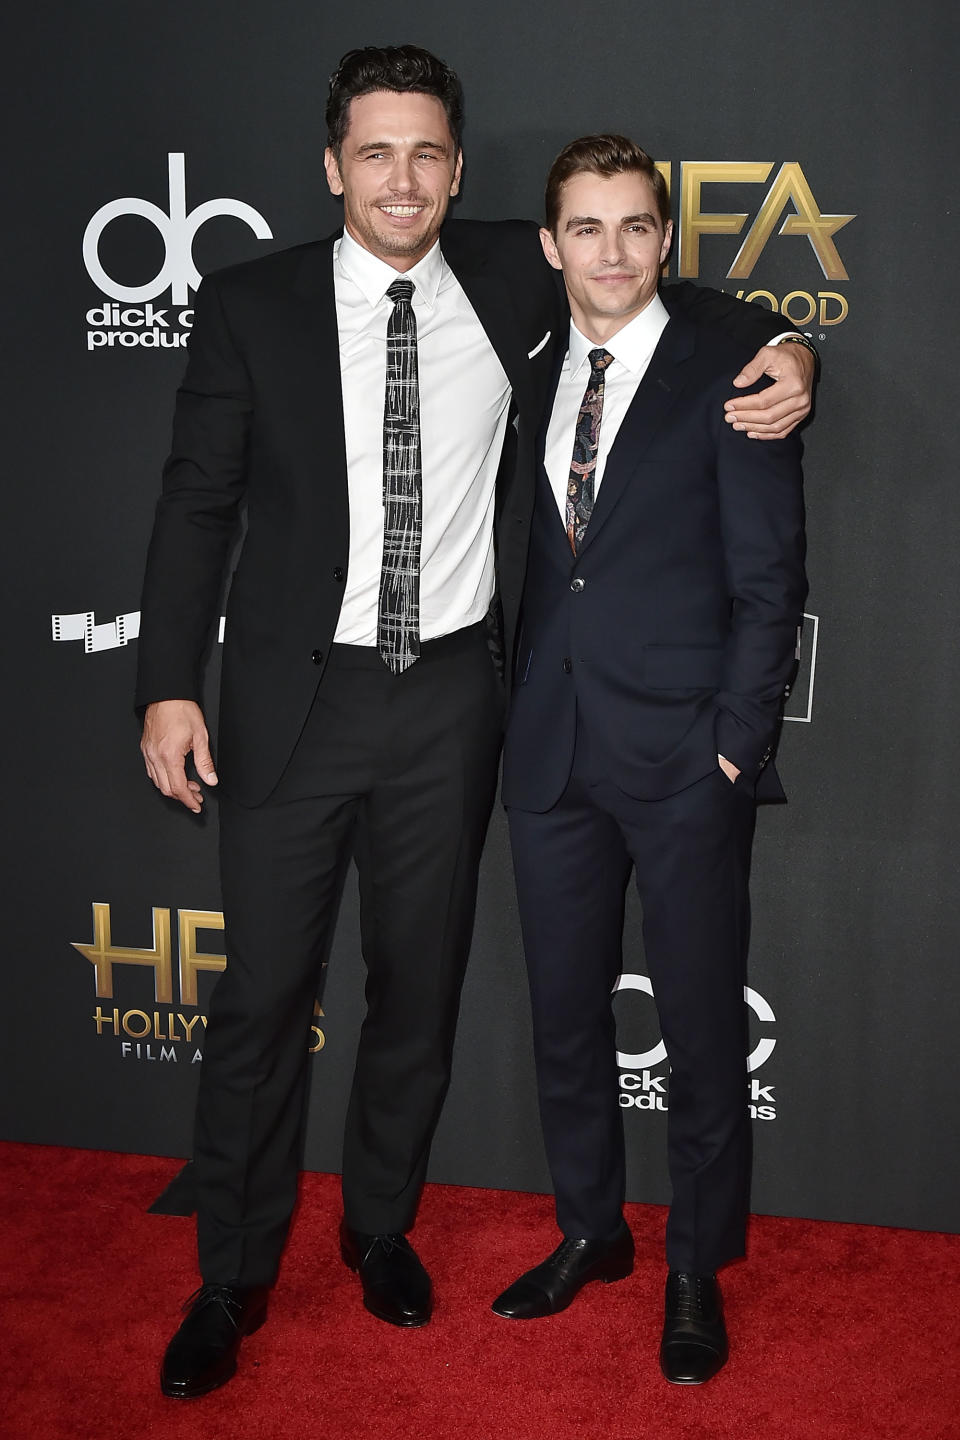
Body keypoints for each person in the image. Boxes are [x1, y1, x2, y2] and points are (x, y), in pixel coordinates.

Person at [136, 47, 814, 1399]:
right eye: (376, 154)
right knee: (264, 998)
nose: (404, 180)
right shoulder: (250, 302)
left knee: (416, 997)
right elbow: (195, 501)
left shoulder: (516, 275)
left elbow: (666, 301)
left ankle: (380, 1228)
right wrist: (165, 680)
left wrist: (795, 349)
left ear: (460, 171)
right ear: (333, 167)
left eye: (429, 154)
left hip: (453, 700)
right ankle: (232, 1272)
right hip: (291, 700)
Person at [492, 135, 807, 1386]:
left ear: (664, 239)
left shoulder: (735, 360)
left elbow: (772, 577)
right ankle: (591, 1231)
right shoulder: (522, 363)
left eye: (635, 228)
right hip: (550, 751)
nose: (611, 252)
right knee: (566, 1017)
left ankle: (693, 1267)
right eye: (586, 228)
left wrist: (735, 746)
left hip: (685, 758)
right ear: (549, 243)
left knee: (696, 1021)